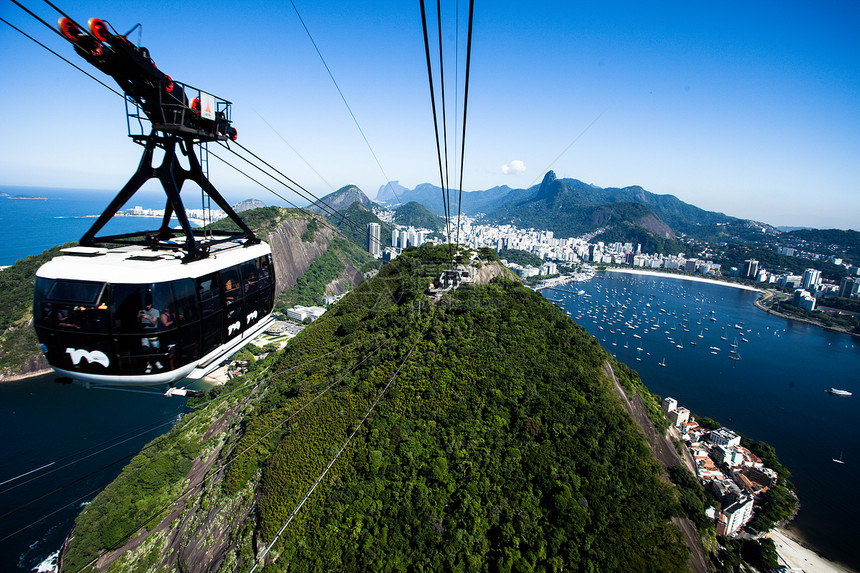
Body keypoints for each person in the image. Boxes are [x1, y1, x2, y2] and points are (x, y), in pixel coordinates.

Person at [139, 296, 162, 373]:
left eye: (148, 305)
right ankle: (148, 365)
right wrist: (139, 317)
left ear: (151, 304)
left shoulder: (156, 311)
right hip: (144, 332)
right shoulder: (141, 311)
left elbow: (154, 323)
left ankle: (156, 362)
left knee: (155, 348)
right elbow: (138, 323)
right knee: (145, 349)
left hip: (153, 331)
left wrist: (147, 317)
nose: (147, 306)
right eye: (146, 305)